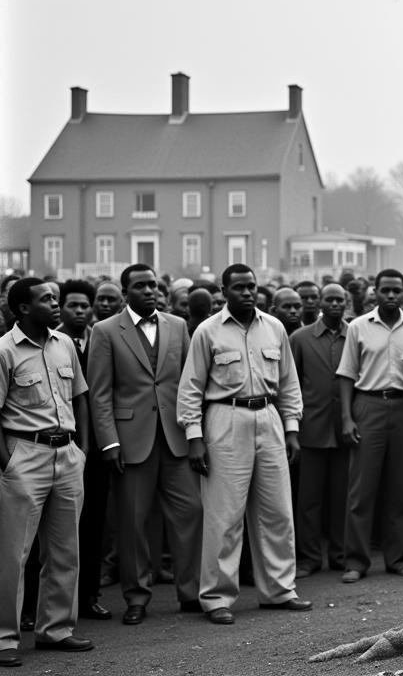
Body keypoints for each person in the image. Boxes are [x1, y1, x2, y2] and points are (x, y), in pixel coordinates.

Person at [176, 265, 309, 624]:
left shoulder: (275, 327)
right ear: (224, 291)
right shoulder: (208, 331)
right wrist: (194, 438)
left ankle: (279, 590)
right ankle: (217, 597)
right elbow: (190, 389)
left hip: (268, 416)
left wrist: (292, 428)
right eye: (239, 287)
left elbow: (289, 382)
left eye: (252, 286)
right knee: (224, 515)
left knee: (277, 511)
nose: (248, 292)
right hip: (224, 417)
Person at [88, 264, 202, 624]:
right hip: (129, 440)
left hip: (175, 436)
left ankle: (191, 592)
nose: (150, 290)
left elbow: (189, 384)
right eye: (141, 286)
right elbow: (100, 393)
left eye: (154, 284)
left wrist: (195, 431)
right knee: (133, 522)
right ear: (126, 293)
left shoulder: (178, 325)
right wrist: (108, 443)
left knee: (192, 512)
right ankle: (136, 596)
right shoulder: (105, 331)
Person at [0, 278, 93, 663]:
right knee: (13, 553)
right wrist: (8, 463)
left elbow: (80, 397)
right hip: (25, 454)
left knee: (64, 550)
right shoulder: (4, 351)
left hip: (67, 454)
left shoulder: (65, 344)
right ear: (23, 308)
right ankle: (5, 638)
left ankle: (55, 629)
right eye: (47, 299)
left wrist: (82, 449)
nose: (56, 304)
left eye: (56, 297)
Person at [337, 270, 403, 581]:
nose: (391, 295)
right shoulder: (358, 327)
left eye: (397, 291)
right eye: (385, 290)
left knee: (401, 485)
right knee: (362, 487)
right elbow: (346, 373)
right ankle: (356, 561)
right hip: (367, 403)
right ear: (375, 291)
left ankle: (398, 558)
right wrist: (347, 417)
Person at [57, 280, 111, 621]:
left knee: (93, 525)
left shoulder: (101, 339)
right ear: (61, 307)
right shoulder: (54, 342)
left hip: (92, 448)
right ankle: (38, 603)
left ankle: (89, 596)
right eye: (72, 305)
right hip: (60, 444)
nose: (80, 311)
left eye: (84, 305)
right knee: (54, 532)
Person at [290, 283, 349, 577]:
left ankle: (339, 554)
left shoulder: (355, 334)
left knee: (341, 496)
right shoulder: (299, 339)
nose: (335, 304)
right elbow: (291, 383)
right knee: (309, 500)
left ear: (347, 303)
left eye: (340, 299)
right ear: (319, 303)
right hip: (311, 427)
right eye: (330, 299)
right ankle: (309, 557)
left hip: (345, 428)